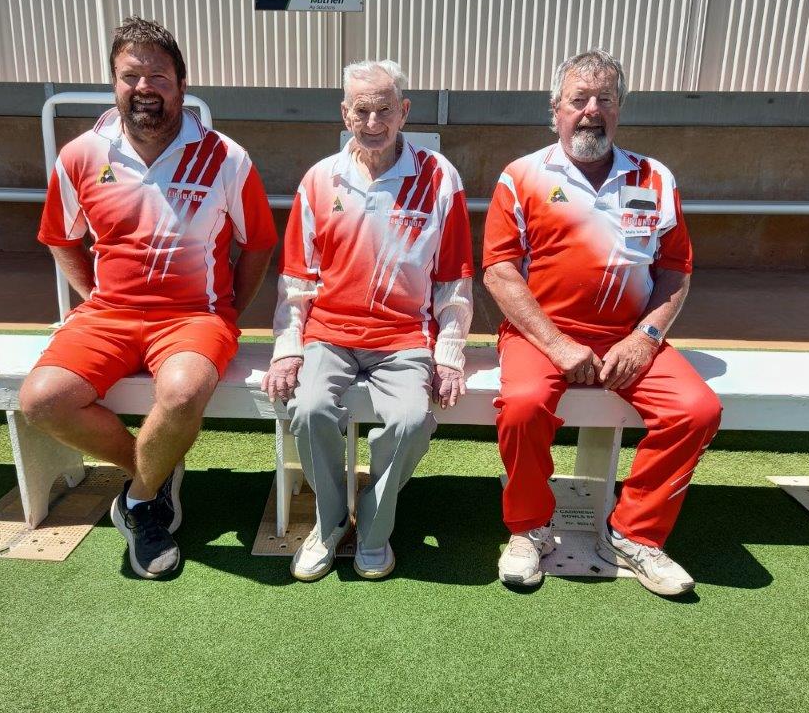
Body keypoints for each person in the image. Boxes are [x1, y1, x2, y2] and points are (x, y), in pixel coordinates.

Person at [18, 16, 276, 579]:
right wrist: (91, 293)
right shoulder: (81, 154)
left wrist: (230, 309)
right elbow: (60, 237)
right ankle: (154, 473)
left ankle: (138, 500)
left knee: (183, 395)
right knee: (40, 400)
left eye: (157, 75)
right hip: (108, 314)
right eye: (130, 75)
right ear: (114, 82)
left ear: (181, 84)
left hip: (193, 318)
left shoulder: (223, 156)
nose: (144, 88)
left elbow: (257, 244)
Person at [482, 49, 722, 596]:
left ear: (620, 108)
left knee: (697, 409)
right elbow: (498, 272)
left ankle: (635, 534)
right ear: (555, 108)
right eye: (578, 99)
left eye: (604, 100)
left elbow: (676, 270)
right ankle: (529, 529)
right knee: (521, 408)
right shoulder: (522, 176)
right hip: (540, 334)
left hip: (628, 336)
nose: (591, 111)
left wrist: (646, 337)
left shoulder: (654, 176)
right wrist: (558, 344)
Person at [262, 60, 474, 582]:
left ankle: (374, 532)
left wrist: (448, 354)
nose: (374, 121)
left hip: (404, 337)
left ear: (404, 112)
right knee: (308, 409)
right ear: (345, 113)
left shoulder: (439, 178)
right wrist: (288, 348)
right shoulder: (320, 179)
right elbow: (297, 279)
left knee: (409, 420)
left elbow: (454, 276)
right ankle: (330, 522)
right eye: (362, 110)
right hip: (329, 334)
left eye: (385, 109)